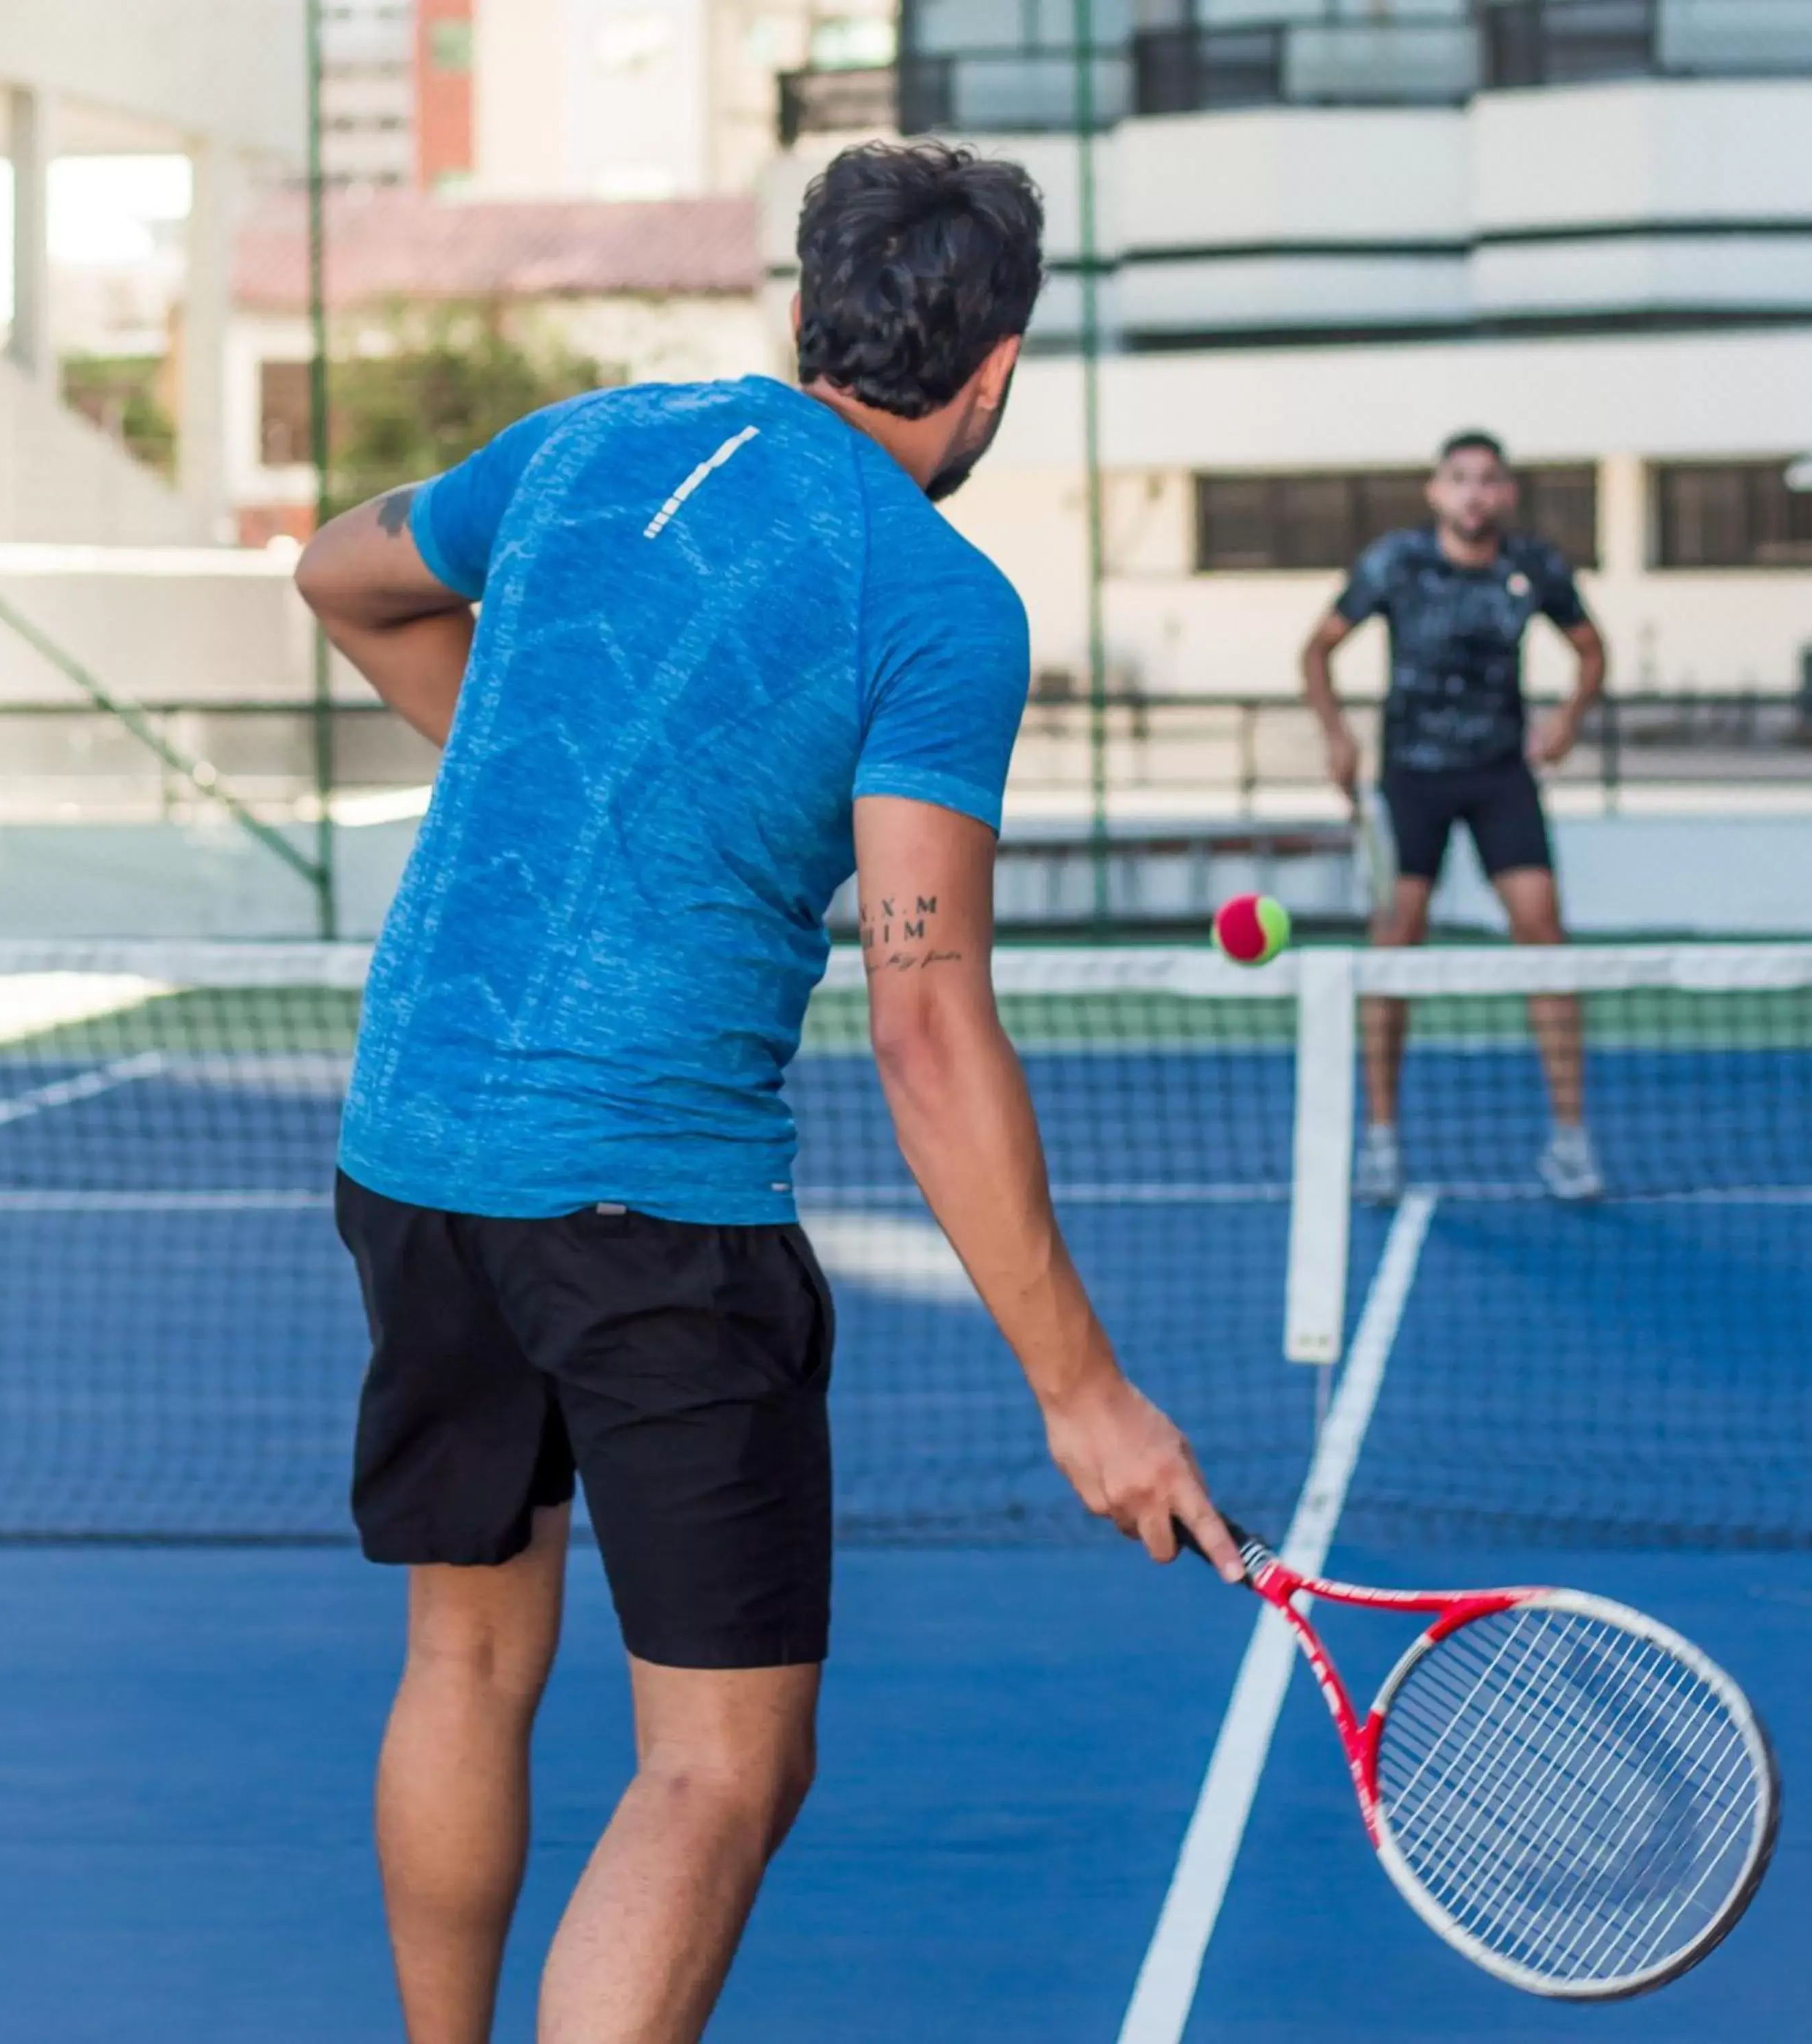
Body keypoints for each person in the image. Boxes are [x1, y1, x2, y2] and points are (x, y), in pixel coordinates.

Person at [294, 140, 1241, 2044]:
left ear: (804, 316)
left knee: (468, 1662)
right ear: (994, 374)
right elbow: (925, 1022)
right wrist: (1084, 1393)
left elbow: (337, 574)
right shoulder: (940, 606)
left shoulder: (581, 446)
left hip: (411, 1142)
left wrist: (565, 771)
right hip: (645, 1209)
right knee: (719, 1766)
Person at [1301, 430, 1609, 1205]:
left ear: (1506, 494)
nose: (1476, 492)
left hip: (1502, 775)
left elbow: (1592, 649)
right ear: (1437, 492)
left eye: (1490, 480)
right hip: (1415, 780)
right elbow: (1317, 650)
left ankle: (1570, 1142)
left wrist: (1569, 720)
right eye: (1461, 479)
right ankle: (1380, 1140)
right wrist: (1338, 736)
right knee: (1394, 945)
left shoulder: (1533, 567)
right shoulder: (1395, 563)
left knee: (1546, 936)